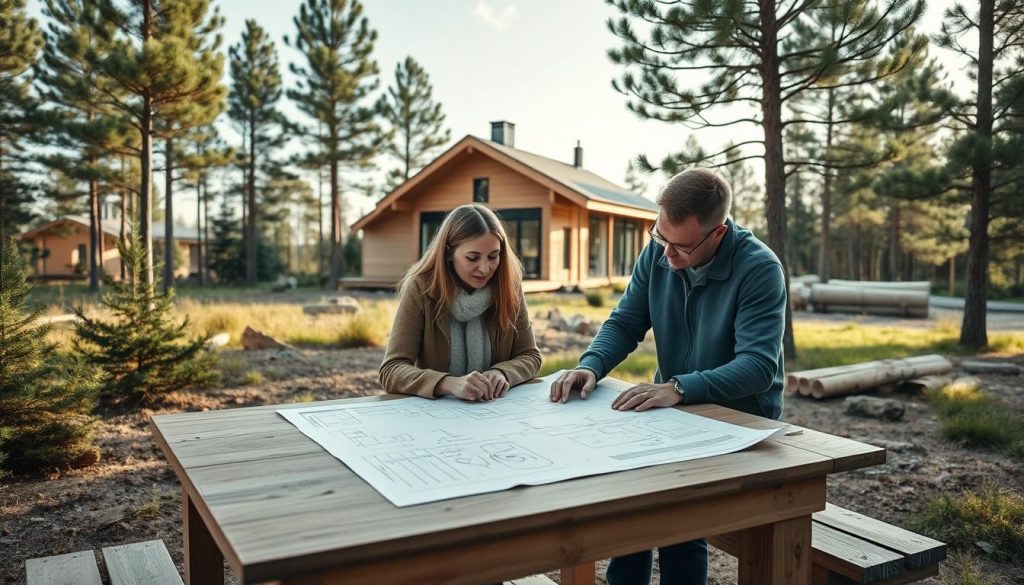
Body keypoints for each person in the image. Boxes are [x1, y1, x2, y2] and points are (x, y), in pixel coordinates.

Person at [549, 168, 787, 585]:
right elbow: (625, 322)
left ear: (718, 234)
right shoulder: (660, 252)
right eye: (659, 236)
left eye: (680, 246)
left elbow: (758, 367)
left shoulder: (760, 269)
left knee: (680, 515)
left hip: (740, 421)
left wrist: (679, 387)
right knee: (628, 493)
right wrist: (590, 365)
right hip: (675, 410)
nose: (666, 255)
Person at [380, 203, 541, 401]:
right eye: (472, 258)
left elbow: (531, 356)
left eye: (493, 256)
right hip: (438, 416)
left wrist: (503, 373)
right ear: (448, 253)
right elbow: (391, 370)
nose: (485, 268)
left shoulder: (508, 285)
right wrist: (448, 383)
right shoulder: (421, 288)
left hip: (496, 412)